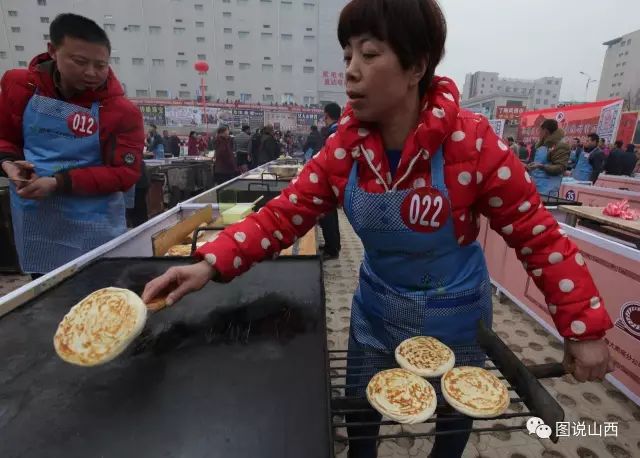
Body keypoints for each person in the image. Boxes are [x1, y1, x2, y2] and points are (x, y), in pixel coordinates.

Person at [143, 1, 613, 457]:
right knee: (362, 413)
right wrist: (209, 263)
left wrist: (583, 328)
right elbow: (283, 214)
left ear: (416, 66)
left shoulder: (471, 142)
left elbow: (537, 235)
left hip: (459, 314)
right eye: (348, 54)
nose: (351, 69)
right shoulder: (343, 149)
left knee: (457, 413)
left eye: (369, 54)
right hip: (377, 311)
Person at [0, 13, 143, 277]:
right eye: (80, 62)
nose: (91, 73)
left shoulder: (120, 111)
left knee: (100, 293)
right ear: (53, 51)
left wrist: (58, 182)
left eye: (100, 65)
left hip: (94, 222)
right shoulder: (20, 87)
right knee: (46, 292)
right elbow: (5, 137)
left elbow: (125, 173)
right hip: (38, 220)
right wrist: (9, 164)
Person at [318, 102, 343, 260]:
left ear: (327, 114)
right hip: (336, 179)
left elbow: (330, 158)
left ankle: (332, 249)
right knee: (331, 213)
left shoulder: (333, 132)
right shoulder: (341, 129)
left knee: (327, 214)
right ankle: (333, 244)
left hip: (331, 178)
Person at [527, 119, 570, 197]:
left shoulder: (560, 146)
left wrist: (541, 166)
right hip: (536, 186)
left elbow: (560, 168)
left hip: (548, 190)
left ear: (545, 131)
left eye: (540, 131)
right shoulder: (541, 145)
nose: (538, 133)